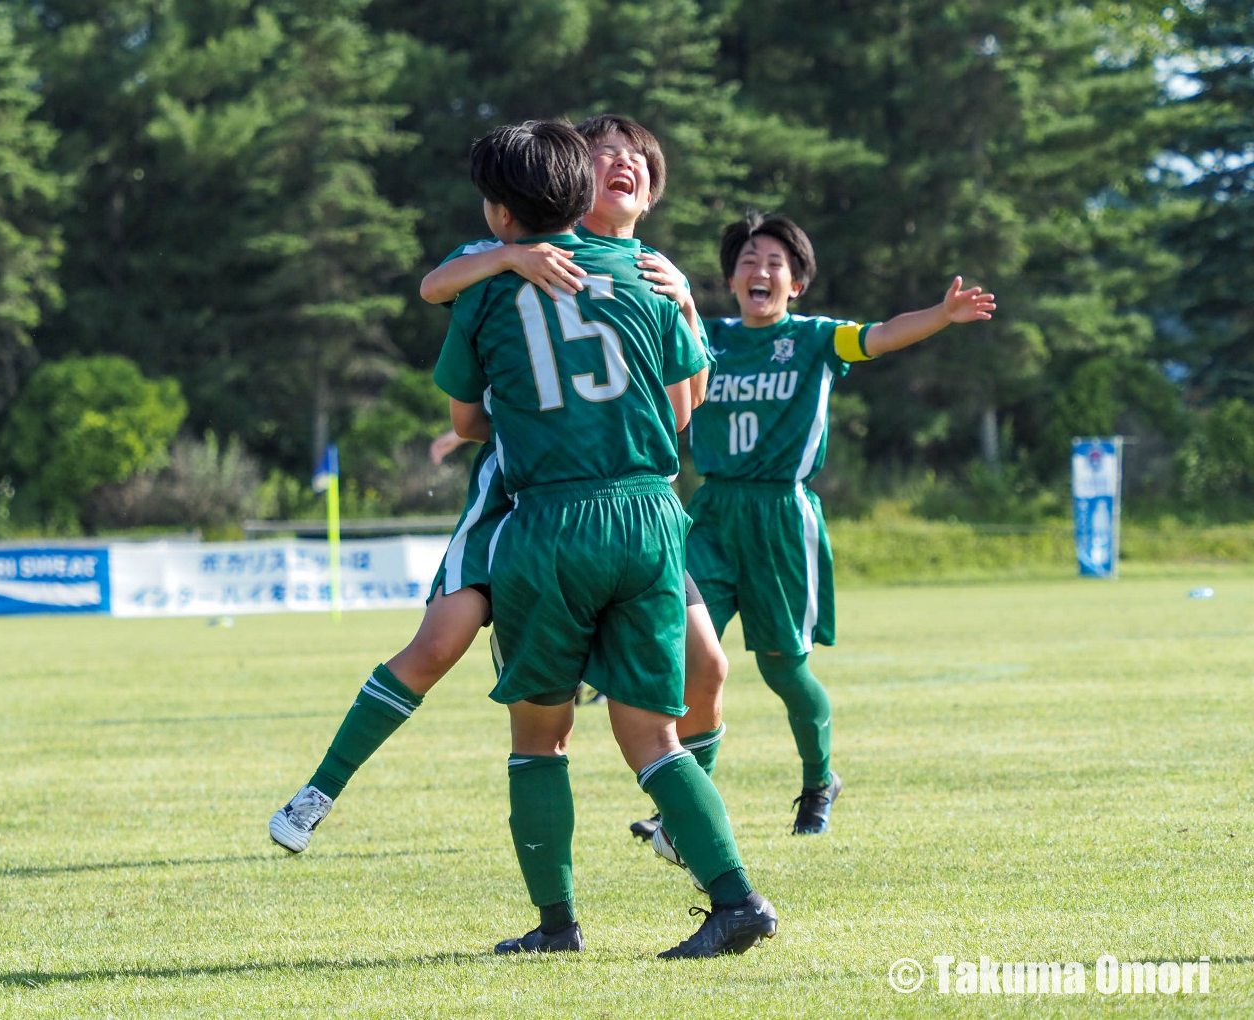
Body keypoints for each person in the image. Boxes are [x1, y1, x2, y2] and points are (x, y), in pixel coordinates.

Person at [270, 115, 729, 858]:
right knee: (440, 645)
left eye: (636, 157)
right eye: (603, 153)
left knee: (708, 665)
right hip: (517, 499)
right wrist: (511, 257)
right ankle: (317, 791)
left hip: (626, 504)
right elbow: (436, 290)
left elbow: (680, 409)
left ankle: (679, 828)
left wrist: (686, 304)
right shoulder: (505, 256)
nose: (621, 163)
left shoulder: (650, 273)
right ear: (571, 181)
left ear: (651, 191)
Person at [435, 117, 775, 958]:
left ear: (501, 212)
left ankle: (557, 926)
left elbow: (467, 422)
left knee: (538, 734)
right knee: (653, 735)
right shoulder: (650, 278)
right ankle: (735, 901)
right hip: (651, 516)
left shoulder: (487, 285)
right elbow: (684, 408)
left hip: (553, 519)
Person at [686, 212, 995, 835]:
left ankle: (818, 780)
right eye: (748, 261)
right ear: (731, 279)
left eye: (775, 263)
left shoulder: (816, 339)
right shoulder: (704, 338)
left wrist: (940, 315)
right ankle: (686, 805)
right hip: (711, 513)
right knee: (691, 656)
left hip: (779, 516)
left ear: (796, 283)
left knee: (781, 667)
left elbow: (882, 335)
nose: (760, 271)